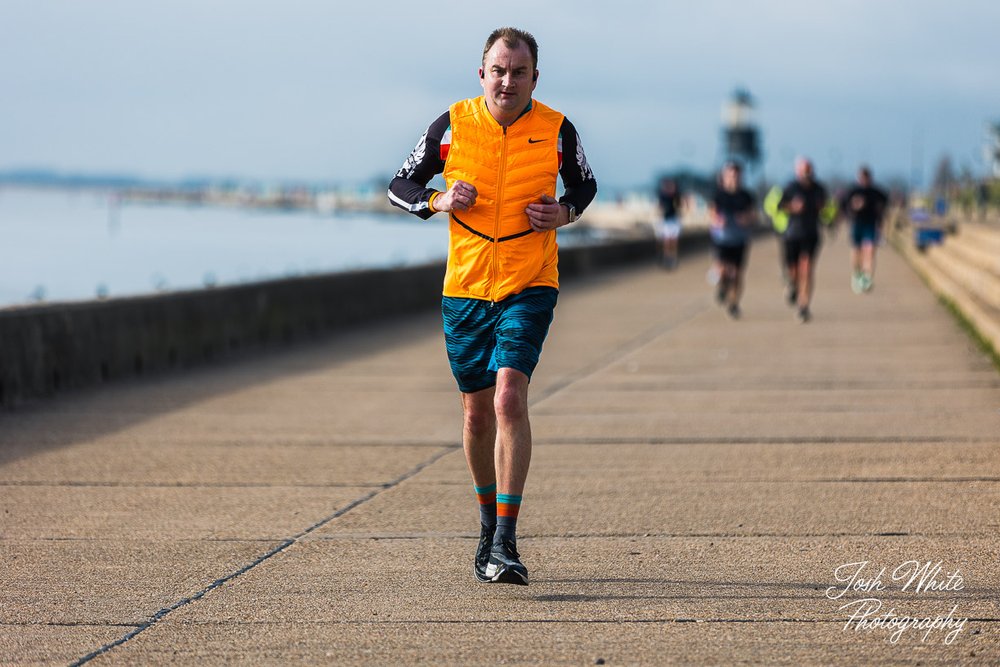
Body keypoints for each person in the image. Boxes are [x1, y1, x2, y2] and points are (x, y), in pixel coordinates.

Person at [387, 27, 597, 586]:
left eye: (519, 71)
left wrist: (565, 213)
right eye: (498, 70)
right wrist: (437, 200)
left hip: (530, 281)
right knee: (477, 413)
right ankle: (486, 524)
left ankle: (505, 539)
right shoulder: (452, 125)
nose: (507, 81)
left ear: (534, 78)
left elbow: (586, 185)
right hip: (466, 287)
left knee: (509, 397)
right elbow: (398, 184)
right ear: (482, 74)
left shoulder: (556, 129)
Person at [779, 157, 828, 323]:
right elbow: (780, 206)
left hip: (811, 234)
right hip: (792, 235)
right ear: (797, 171)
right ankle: (792, 285)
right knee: (793, 271)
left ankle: (804, 306)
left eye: (809, 169)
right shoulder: (790, 187)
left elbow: (826, 208)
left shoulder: (819, 188)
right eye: (803, 170)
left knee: (806, 270)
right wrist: (792, 207)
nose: (806, 173)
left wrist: (823, 210)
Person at [709, 161, 756, 319]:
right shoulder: (718, 195)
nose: (733, 178)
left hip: (740, 239)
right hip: (722, 238)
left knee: (736, 273)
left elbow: (753, 215)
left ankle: (734, 303)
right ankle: (722, 287)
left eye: (736, 175)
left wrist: (746, 219)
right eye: (730, 175)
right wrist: (717, 220)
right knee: (722, 270)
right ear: (724, 177)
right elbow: (711, 213)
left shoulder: (746, 196)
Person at [839, 166, 888, 293]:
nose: (864, 180)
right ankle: (857, 274)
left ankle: (867, 278)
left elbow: (885, 203)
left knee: (870, 250)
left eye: (866, 177)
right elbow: (843, 205)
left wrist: (880, 212)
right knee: (857, 250)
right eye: (862, 177)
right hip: (856, 223)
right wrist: (853, 207)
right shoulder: (852, 191)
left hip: (871, 224)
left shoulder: (876, 192)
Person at [656, 177, 683, 269]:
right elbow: (660, 207)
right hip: (666, 220)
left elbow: (680, 205)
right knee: (667, 240)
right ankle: (667, 258)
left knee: (674, 241)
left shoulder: (677, 195)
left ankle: (673, 258)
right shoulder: (662, 195)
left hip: (674, 219)